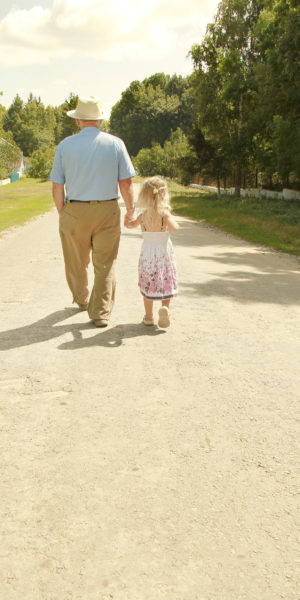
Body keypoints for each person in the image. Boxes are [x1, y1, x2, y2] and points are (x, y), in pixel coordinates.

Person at [49, 96, 136, 327]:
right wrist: (130, 210)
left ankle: (82, 298)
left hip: (74, 209)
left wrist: (63, 213)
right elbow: (126, 183)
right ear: (99, 121)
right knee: (105, 263)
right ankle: (100, 312)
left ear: (78, 120)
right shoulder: (116, 144)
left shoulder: (65, 146)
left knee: (76, 262)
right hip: (107, 209)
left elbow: (57, 186)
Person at [125, 176, 179, 328]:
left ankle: (148, 317)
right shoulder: (165, 215)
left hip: (148, 255)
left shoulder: (143, 216)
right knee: (165, 281)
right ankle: (165, 309)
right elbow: (175, 229)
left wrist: (126, 218)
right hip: (164, 254)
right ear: (163, 195)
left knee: (148, 283)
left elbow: (129, 225)